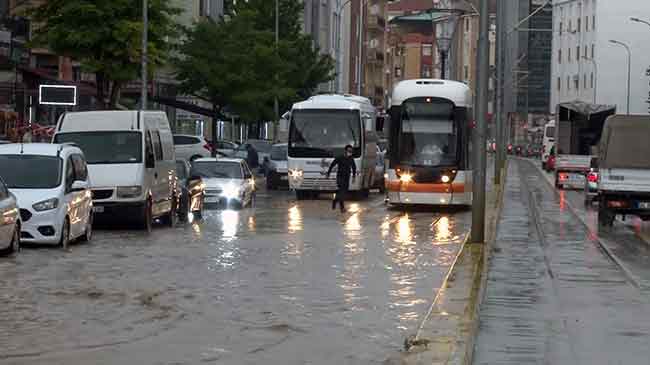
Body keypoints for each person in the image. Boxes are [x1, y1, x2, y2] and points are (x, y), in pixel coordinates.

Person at [327, 145, 357, 212]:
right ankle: (342, 208)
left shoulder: (351, 158)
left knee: (344, 192)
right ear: (345, 151)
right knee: (341, 191)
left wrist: (354, 176)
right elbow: (332, 164)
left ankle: (335, 200)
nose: (350, 152)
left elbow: (354, 167)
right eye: (349, 151)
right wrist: (328, 173)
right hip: (340, 177)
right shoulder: (340, 157)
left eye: (351, 151)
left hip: (347, 177)